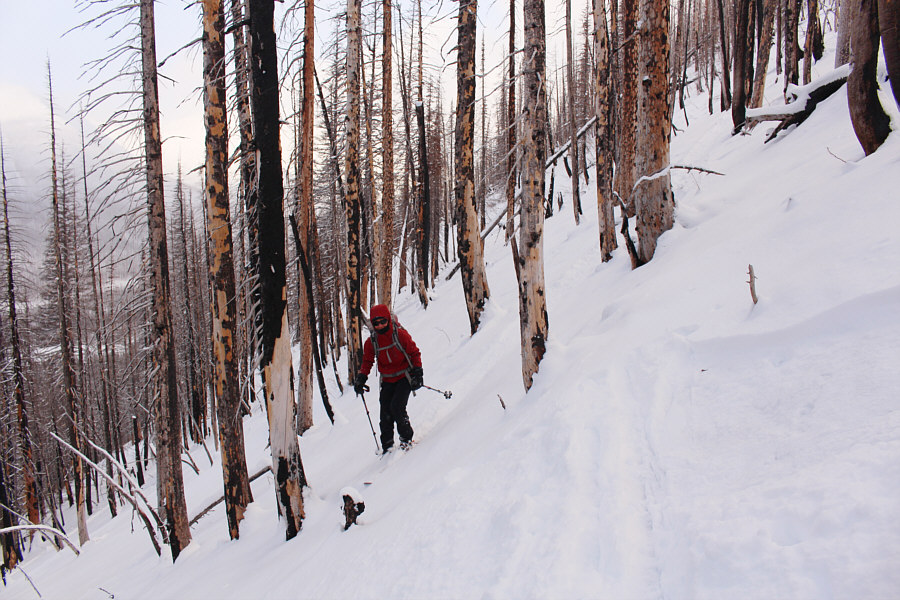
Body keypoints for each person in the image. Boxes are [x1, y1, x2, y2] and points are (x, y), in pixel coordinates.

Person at [353, 304, 423, 453]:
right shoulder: (372, 341)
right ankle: (387, 446)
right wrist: (361, 378)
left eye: (383, 321)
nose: (379, 326)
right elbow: (367, 361)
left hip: (405, 376)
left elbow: (414, 352)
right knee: (385, 413)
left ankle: (406, 439)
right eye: (376, 323)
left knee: (397, 407)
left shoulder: (400, 335)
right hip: (387, 379)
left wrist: (418, 373)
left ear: (388, 320)